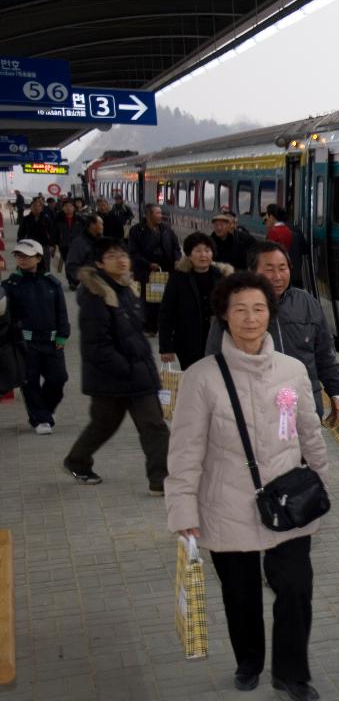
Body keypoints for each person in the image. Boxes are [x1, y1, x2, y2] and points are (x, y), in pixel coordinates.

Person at [166, 271, 329, 701]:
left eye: (259, 308)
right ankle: (249, 660)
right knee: (240, 592)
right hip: (225, 503)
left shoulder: (292, 370)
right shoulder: (201, 377)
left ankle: (292, 672)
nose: (251, 318)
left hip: (288, 500)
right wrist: (183, 512)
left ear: (269, 313)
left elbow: (310, 433)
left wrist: (321, 485)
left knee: (295, 588)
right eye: (239, 309)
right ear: (223, 315)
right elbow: (184, 451)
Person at [64, 237, 170, 492]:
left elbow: (135, 336)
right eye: (112, 256)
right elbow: (97, 347)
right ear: (100, 263)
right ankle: (77, 461)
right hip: (113, 377)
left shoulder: (126, 290)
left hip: (136, 375)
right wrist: (129, 370)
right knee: (104, 425)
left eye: (124, 255)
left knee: (154, 427)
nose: (121, 260)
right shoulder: (95, 297)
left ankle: (161, 480)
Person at [204, 242, 339, 421]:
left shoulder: (307, 303)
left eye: (282, 268)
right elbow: (215, 357)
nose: (277, 276)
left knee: (309, 446)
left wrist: (336, 391)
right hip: (255, 409)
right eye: (269, 269)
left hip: (304, 404)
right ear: (252, 271)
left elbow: (325, 352)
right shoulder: (234, 306)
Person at [2, 239, 69, 433]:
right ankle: (40, 419)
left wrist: (62, 336)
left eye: (26, 256)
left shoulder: (52, 283)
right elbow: (7, 317)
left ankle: (45, 411)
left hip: (52, 341)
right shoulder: (10, 285)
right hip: (25, 343)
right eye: (19, 256)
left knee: (58, 379)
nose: (22, 260)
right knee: (29, 382)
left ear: (38, 258)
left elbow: (62, 312)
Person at [160, 232, 233, 369]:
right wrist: (165, 346)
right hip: (188, 341)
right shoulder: (178, 278)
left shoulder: (222, 277)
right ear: (189, 254)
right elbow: (166, 312)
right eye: (198, 250)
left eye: (207, 250)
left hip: (217, 340)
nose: (203, 255)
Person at [127, 203, 180, 334]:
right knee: (148, 299)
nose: (160, 216)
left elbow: (175, 246)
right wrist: (148, 264)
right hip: (146, 271)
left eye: (160, 213)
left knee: (165, 299)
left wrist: (177, 259)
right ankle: (149, 326)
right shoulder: (136, 230)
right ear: (148, 215)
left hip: (165, 270)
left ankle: (163, 325)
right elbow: (133, 252)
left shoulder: (166, 229)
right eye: (157, 213)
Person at [65, 212, 103, 288]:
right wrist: (86, 277)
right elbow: (71, 265)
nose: (103, 227)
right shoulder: (79, 242)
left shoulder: (102, 241)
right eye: (101, 224)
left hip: (104, 283)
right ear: (92, 225)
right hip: (89, 285)